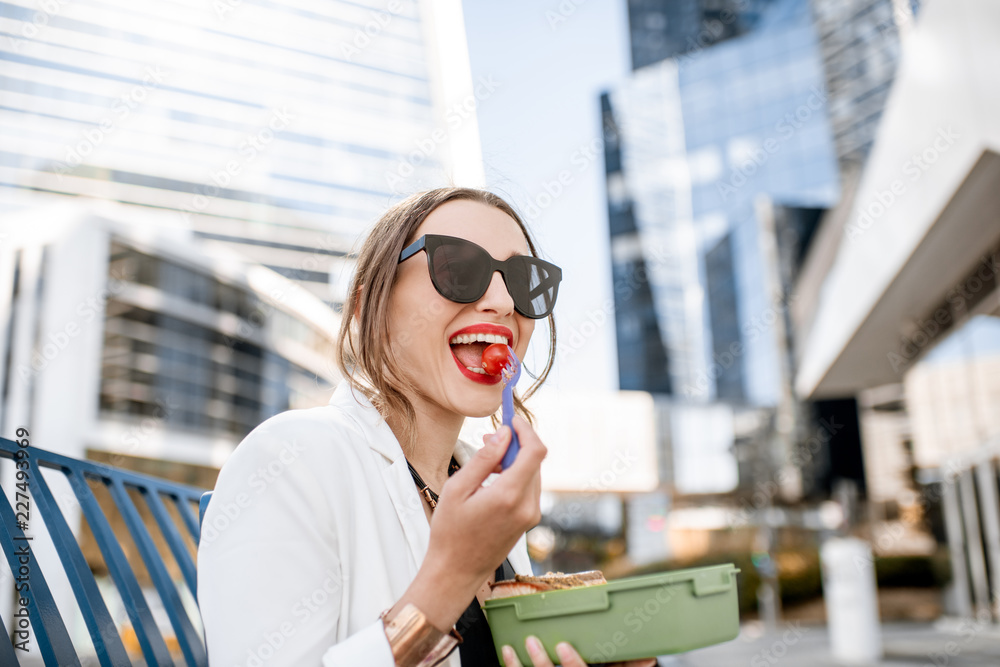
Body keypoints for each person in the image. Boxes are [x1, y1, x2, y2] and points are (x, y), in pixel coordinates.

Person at [196, 187, 657, 667]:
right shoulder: (286, 460)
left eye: (524, 280)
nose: (502, 302)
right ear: (367, 310)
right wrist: (452, 576)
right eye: (458, 268)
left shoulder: (484, 493)